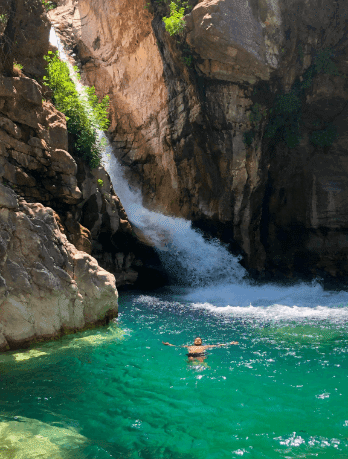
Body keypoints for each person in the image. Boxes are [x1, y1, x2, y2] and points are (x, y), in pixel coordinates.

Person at [162, 337, 238, 362]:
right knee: (190, 360)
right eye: (196, 340)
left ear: (201, 342)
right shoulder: (189, 346)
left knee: (201, 362)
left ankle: (203, 365)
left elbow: (218, 345)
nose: (198, 341)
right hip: (191, 354)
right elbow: (177, 346)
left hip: (200, 355)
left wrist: (230, 343)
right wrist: (169, 344)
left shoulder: (205, 346)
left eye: (199, 340)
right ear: (194, 342)